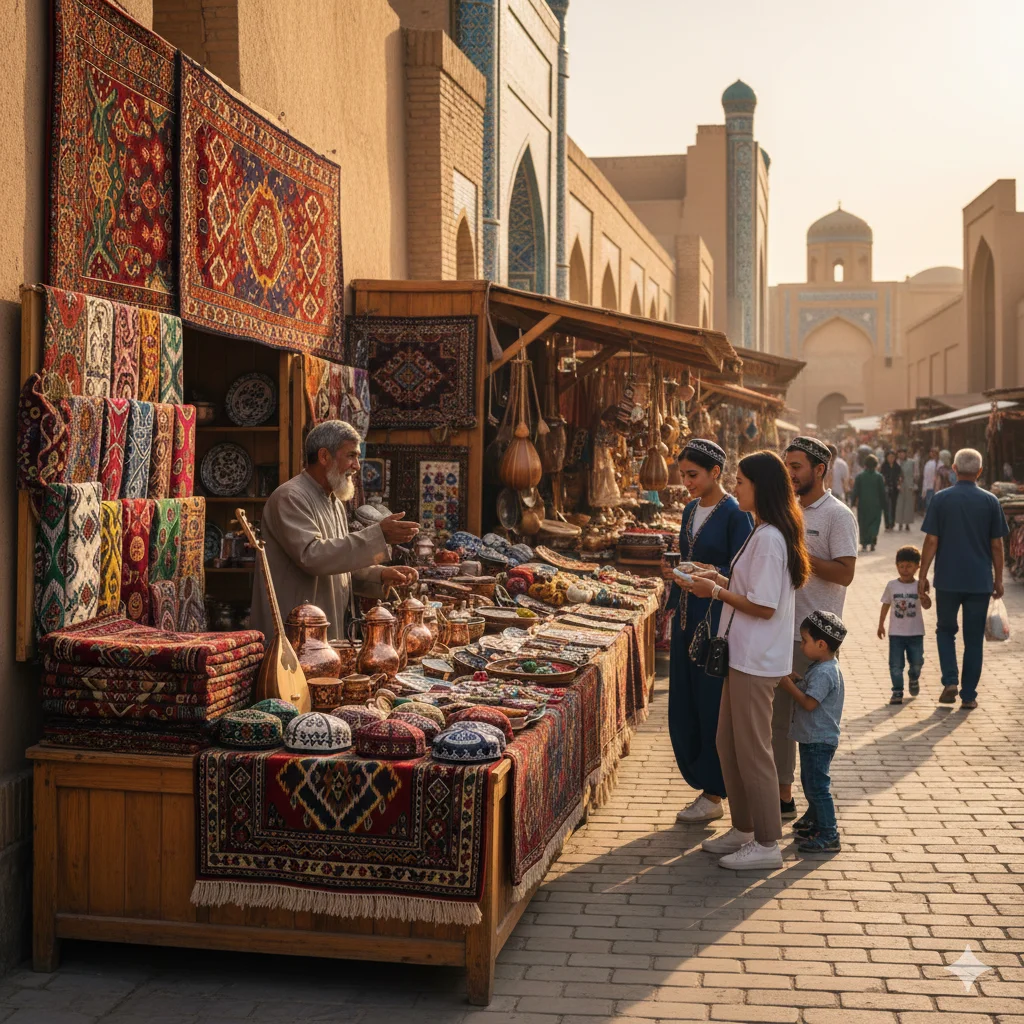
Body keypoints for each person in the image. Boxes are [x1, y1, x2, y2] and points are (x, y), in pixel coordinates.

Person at [686, 451, 811, 871]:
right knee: (728, 742)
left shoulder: (772, 538)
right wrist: (716, 577)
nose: (736, 488)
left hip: (757, 659)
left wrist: (715, 593)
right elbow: (752, 588)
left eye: (741, 481)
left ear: (760, 487)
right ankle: (743, 828)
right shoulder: (762, 531)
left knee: (754, 750)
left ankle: (767, 841)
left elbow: (764, 606)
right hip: (741, 653)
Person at [250, 420, 420, 643]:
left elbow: (338, 564)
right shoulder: (290, 497)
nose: (357, 466)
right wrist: (379, 535)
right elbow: (313, 557)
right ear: (324, 456)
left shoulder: (334, 502)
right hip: (294, 632)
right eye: (351, 456)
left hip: (322, 632)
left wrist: (379, 575)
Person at [666, 439, 752, 823]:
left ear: (715, 472)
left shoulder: (735, 514)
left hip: (716, 623)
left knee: (710, 705)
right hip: (686, 617)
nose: (686, 482)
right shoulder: (688, 510)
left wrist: (711, 579)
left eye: (693, 475)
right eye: (683, 475)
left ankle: (714, 791)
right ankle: (705, 785)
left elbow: (745, 576)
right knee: (685, 704)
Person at [779, 436, 857, 820]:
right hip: (780, 632)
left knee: (808, 724)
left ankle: (816, 807)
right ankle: (783, 797)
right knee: (779, 722)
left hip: (815, 642)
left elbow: (846, 573)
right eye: (787, 466)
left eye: (796, 467)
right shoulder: (784, 510)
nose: (789, 474)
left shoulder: (837, 515)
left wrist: (800, 556)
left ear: (820, 469)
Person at [919, 448, 1009, 709]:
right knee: (973, 639)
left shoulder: (941, 499)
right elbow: (997, 545)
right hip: (980, 582)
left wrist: (922, 576)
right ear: (979, 471)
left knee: (945, 631)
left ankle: (949, 680)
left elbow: (931, 540)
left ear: (954, 470)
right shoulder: (991, 501)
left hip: (947, 580)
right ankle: (969, 695)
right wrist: (999, 578)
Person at [777, 611, 846, 854]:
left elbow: (809, 703)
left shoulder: (826, 672)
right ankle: (814, 821)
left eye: (804, 640)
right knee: (810, 783)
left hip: (819, 740)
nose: (802, 645)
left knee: (818, 787)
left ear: (821, 644)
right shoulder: (821, 666)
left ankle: (829, 833)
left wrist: (787, 686)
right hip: (812, 738)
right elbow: (810, 692)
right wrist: (797, 681)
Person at [878, 545, 932, 704]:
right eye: (901, 566)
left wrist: (924, 598)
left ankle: (913, 678)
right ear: (896, 566)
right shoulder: (892, 585)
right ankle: (897, 691)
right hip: (896, 634)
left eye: (909, 566)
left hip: (915, 633)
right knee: (895, 665)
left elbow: (927, 606)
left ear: (917, 566)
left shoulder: (919, 585)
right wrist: (881, 624)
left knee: (917, 662)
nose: (905, 569)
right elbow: (886, 604)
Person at [850, 453, 886, 551]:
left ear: (865, 464)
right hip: (876, 505)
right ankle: (873, 541)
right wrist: (885, 505)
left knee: (863, 524)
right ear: (875, 465)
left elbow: (855, 491)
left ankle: (864, 543)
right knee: (874, 523)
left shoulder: (860, 476)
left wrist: (852, 503)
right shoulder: (879, 477)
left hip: (863, 505)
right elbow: (882, 492)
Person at [894, 448, 916, 531]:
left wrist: (914, 485)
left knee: (909, 505)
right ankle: (899, 523)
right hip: (900, 486)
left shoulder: (912, 462)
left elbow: (915, 474)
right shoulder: (896, 463)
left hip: (909, 485)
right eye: (900, 453)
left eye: (903, 453)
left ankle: (907, 523)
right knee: (900, 505)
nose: (901, 455)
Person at [880, 451, 901, 532]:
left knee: (893, 506)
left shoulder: (897, 467)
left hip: (895, 489)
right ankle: (887, 523)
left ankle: (892, 523)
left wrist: (899, 482)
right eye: (889, 457)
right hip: (886, 488)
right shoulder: (884, 466)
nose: (891, 459)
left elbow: (900, 476)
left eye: (892, 457)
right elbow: (881, 476)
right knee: (886, 506)